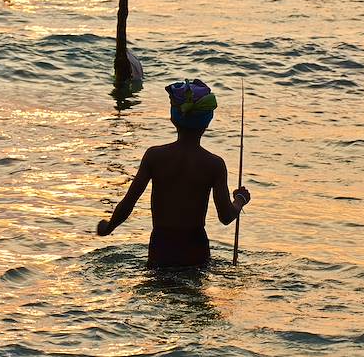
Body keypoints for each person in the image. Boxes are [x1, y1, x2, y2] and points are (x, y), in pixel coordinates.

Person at [97, 79, 251, 268]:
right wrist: (240, 199)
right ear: (207, 122)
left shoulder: (154, 156)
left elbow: (128, 203)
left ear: (173, 118)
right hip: (195, 253)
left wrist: (108, 227)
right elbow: (226, 216)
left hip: (161, 250)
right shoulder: (214, 164)